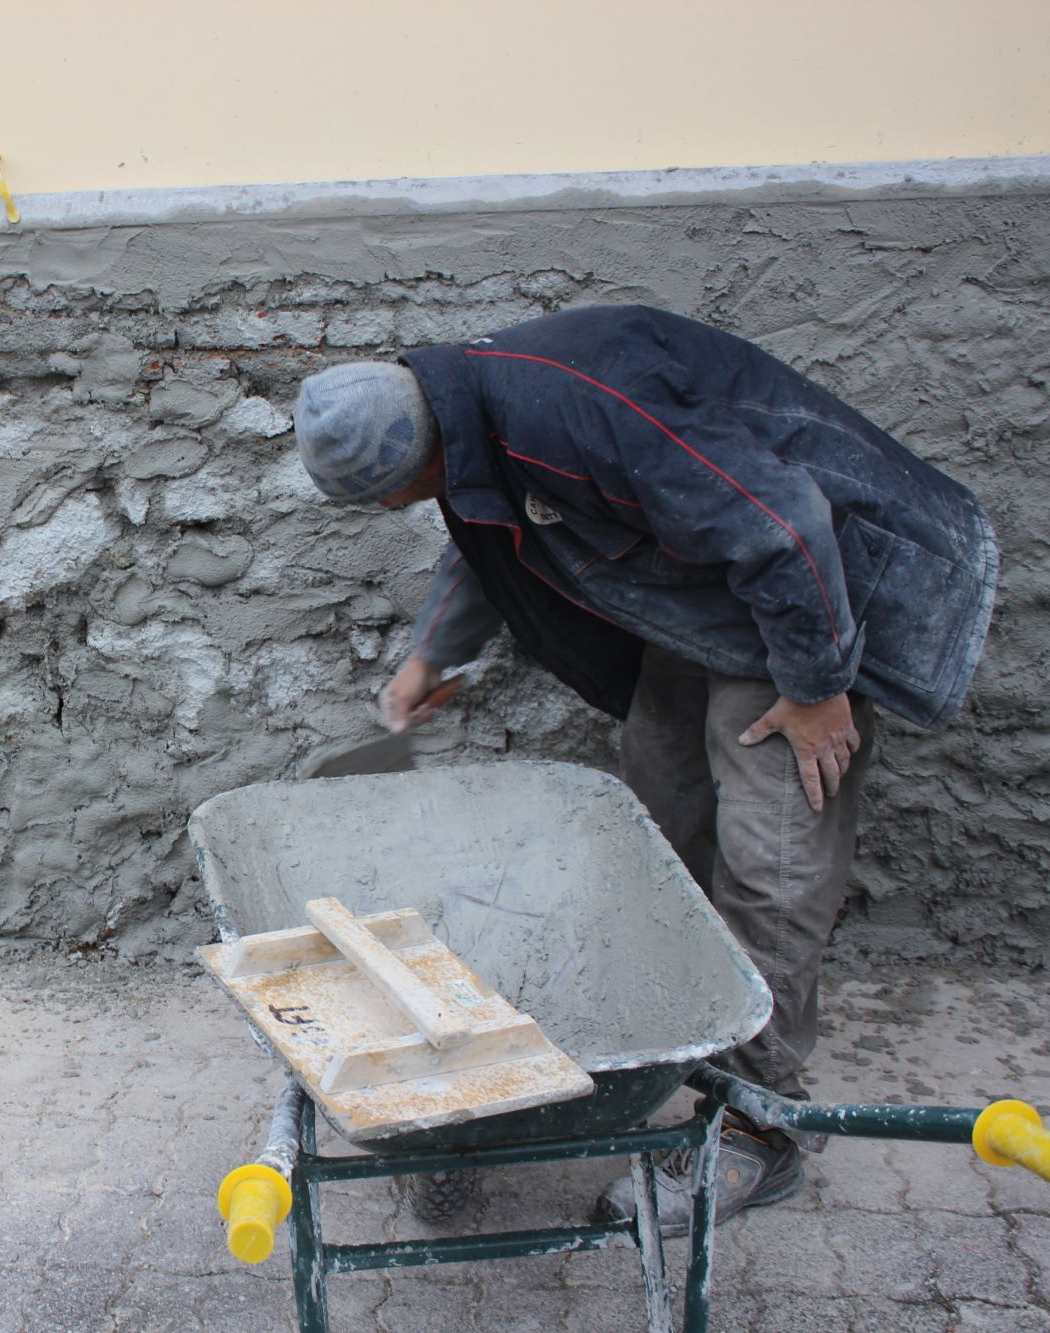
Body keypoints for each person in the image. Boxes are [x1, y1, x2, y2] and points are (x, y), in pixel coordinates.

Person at [292, 303, 998, 1233]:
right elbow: (486, 533)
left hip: (803, 601)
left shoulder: (576, 413)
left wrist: (820, 684)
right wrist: (431, 655)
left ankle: (759, 1122)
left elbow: (782, 520)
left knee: (771, 861)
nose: (396, 510)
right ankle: (666, 1049)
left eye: (391, 496)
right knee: (653, 836)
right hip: (694, 605)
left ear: (417, 461)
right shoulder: (463, 407)